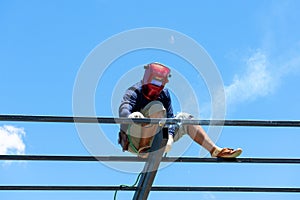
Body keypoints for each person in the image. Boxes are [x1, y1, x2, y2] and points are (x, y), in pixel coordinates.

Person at [118, 62, 242, 158]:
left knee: (185, 118)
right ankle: (143, 148)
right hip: (134, 137)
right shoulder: (134, 91)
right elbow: (124, 108)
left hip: (156, 135)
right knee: (156, 106)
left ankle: (215, 150)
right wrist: (131, 116)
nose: (156, 86)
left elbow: (170, 119)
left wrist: (169, 137)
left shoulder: (164, 94)